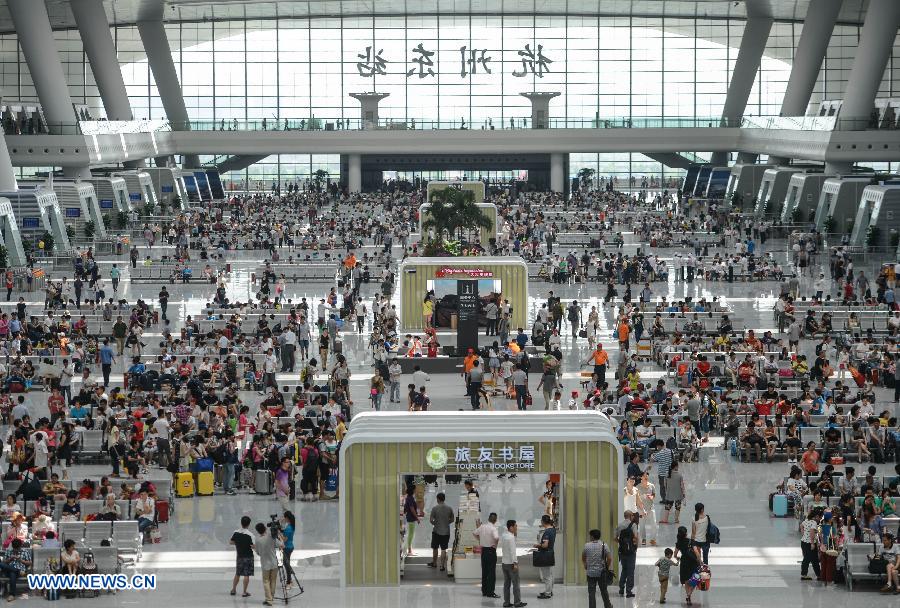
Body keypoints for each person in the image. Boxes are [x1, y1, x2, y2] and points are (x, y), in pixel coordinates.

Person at [582, 528, 613, 608]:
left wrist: (585, 564)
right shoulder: (604, 545)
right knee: (604, 590)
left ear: (592, 536)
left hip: (590, 572)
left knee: (591, 592)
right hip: (601, 572)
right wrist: (607, 566)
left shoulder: (587, 545)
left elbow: (583, 557)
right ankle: (608, 606)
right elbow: (609, 558)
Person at [255, 521, 283, 607]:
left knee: (266, 581)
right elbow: (281, 545)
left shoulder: (258, 540)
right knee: (273, 581)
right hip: (274, 563)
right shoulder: (271, 536)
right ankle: (272, 598)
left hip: (265, 564)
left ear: (258, 531)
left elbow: (258, 553)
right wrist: (279, 536)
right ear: (265, 528)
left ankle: (269, 600)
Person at [473, 512, 500, 598]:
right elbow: (496, 538)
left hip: (483, 551)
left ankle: (484, 591)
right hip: (491, 551)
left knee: (484, 572)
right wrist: (495, 545)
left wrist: (480, 539)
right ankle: (490, 592)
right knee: (491, 572)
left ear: (488, 518)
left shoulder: (482, 527)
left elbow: (474, 533)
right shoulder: (493, 528)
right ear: (495, 520)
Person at [500, 519, 526, 607]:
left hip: (504, 563)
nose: (517, 527)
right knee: (516, 584)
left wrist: (515, 534)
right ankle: (517, 602)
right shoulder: (510, 538)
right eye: (515, 526)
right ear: (511, 527)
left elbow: (513, 540)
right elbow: (512, 552)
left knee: (506, 584)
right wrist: (515, 563)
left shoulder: (504, 535)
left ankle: (506, 602)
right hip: (511, 564)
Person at [673, 526, 700, 605]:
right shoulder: (691, 541)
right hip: (693, 562)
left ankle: (688, 595)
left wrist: (678, 558)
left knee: (686, 580)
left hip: (684, 562)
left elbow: (675, 555)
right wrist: (700, 561)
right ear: (686, 533)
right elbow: (696, 552)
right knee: (696, 577)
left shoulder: (679, 543)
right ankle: (689, 594)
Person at [230, 515, 255, 597]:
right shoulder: (250, 535)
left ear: (241, 523)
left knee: (237, 573)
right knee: (246, 574)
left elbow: (231, 542)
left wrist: (238, 543)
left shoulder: (236, 532)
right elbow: (253, 546)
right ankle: (244, 592)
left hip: (239, 556)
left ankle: (233, 590)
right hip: (248, 556)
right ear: (249, 524)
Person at [428, 492, 454, 572]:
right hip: (446, 532)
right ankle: (442, 566)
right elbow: (452, 519)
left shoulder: (435, 508)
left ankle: (434, 563)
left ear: (438, 499)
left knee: (435, 548)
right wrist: (446, 522)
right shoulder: (449, 508)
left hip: (436, 531)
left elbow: (431, 520)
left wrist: (435, 523)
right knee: (443, 549)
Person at [615, 510, 638, 597]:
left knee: (624, 569)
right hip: (631, 552)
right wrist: (634, 547)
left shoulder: (619, 525)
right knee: (631, 571)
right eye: (632, 515)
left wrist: (622, 544)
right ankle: (629, 591)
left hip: (622, 551)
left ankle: (621, 588)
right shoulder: (633, 525)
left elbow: (615, 538)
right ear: (630, 516)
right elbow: (635, 537)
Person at [534, 514, 556, 599]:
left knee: (546, 576)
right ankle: (550, 591)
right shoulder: (553, 530)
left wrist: (538, 545)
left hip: (545, 555)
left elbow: (545, 545)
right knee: (550, 575)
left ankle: (547, 593)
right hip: (550, 554)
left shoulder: (547, 532)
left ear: (543, 522)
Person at [800, 509, 822, 581]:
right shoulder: (814, 523)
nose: (820, 519)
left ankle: (818, 575)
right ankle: (804, 575)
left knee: (813, 559)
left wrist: (803, 533)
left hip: (803, 542)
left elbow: (801, 525)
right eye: (820, 517)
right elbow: (812, 532)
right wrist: (812, 543)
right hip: (809, 543)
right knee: (808, 559)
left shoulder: (806, 520)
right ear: (816, 516)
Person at [281, 511, 296, 587]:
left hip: (287, 548)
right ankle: (290, 579)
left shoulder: (288, 528)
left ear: (287, 518)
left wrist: (279, 533)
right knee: (287, 563)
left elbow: (284, 539)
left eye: (284, 517)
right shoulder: (291, 526)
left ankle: (289, 582)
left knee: (286, 564)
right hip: (290, 546)